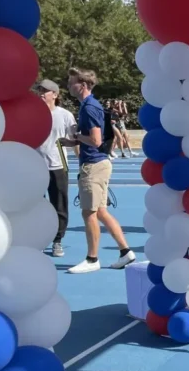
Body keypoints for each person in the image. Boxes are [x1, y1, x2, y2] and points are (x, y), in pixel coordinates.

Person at [66, 67, 136, 274]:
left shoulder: (89, 107)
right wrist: (73, 139)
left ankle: (92, 258)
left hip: (94, 165)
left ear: (84, 85)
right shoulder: (90, 105)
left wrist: (77, 137)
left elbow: (96, 141)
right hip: (98, 163)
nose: (69, 86)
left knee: (89, 213)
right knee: (102, 211)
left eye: (72, 83)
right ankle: (126, 252)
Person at [35, 79, 76, 258]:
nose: (42, 94)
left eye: (46, 91)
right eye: (40, 90)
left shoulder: (65, 115)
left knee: (59, 205)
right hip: (36, 166)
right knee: (36, 206)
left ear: (55, 95)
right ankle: (40, 239)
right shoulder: (33, 113)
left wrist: (82, 160)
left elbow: (75, 139)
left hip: (58, 165)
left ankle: (57, 241)